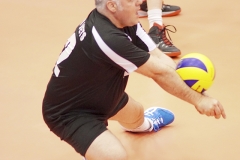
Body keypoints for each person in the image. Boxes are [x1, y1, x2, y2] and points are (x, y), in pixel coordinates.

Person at [42, 0, 226, 160]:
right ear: (112, 5)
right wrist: (199, 100)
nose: (140, 1)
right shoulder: (108, 39)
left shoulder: (124, 20)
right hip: (70, 112)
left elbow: (159, 58)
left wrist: (198, 89)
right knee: (114, 156)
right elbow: (158, 73)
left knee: (137, 114)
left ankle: (147, 124)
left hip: (103, 95)